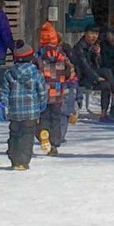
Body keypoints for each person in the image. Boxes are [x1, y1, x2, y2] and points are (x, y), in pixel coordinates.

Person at [0, 41, 47, 170]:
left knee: (14, 133)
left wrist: (3, 103)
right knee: (27, 135)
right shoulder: (36, 73)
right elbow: (42, 91)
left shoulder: (9, 73)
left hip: (15, 111)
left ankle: (14, 158)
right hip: (31, 112)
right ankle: (23, 160)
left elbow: (5, 91)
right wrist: (42, 103)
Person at [36, 22, 78, 154]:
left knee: (43, 117)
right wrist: (65, 80)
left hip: (42, 93)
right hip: (58, 93)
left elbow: (33, 71)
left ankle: (43, 132)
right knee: (56, 118)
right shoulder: (62, 56)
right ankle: (54, 144)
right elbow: (70, 71)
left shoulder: (39, 57)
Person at [71, 28, 114, 122]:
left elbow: (98, 65)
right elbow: (84, 66)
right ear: (85, 33)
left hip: (91, 74)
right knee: (106, 78)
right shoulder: (79, 47)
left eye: (96, 34)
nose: (94, 36)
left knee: (106, 78)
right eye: (92, 33)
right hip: (82, 76)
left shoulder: (92, 47)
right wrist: (97, 78)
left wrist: (97, 55)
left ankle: (104, 113)